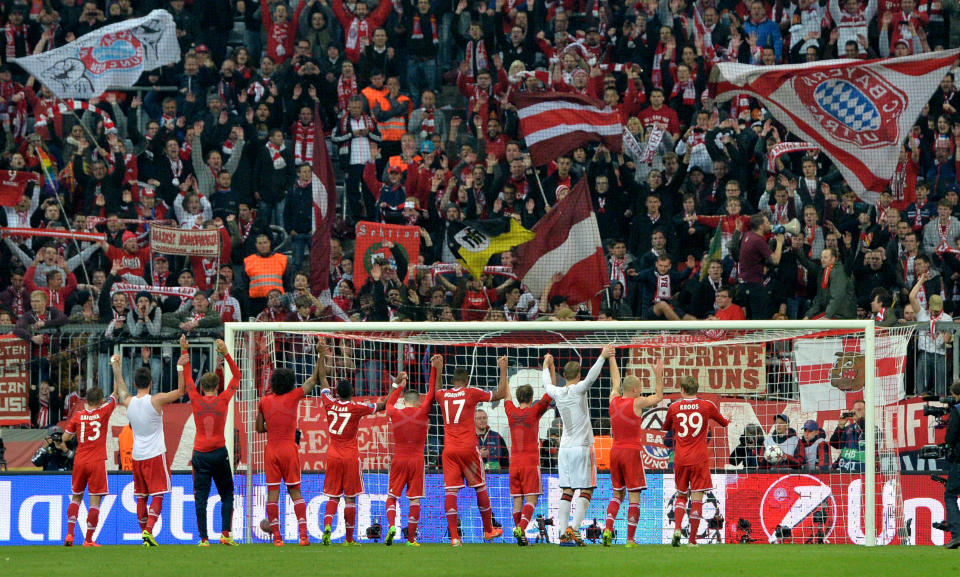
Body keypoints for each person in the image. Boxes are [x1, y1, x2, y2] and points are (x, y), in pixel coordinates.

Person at [113, 337, 188, 547]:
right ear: (151, 382)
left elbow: (121, 390)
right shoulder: (156, 400)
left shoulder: (128, 402)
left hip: (137, 455)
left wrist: (116, 368)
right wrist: (180, 368)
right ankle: (148, 531)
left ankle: (144, 534)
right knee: (158, 494)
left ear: (135, 383)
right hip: (155, 454)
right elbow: (181, 392)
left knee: (141, 497)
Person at [256, 341, 327, 546]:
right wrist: (320, 354)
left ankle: (277, 538)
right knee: (295, 492)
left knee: (273, 494)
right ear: (290, 383)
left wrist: (275, 427)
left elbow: (259, 429)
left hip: (271, 450)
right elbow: (313, 380)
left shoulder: (264, 401)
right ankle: (303, 536)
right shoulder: (294, 396)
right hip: (289, 448)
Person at [543, 345, 615, 546]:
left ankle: (562, 532)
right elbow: (592, 378)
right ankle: (573, 530)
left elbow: (546, 383)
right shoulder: (578, 389)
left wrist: (545, 366)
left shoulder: (557, 392)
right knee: (587, 489)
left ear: (564, 375)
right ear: (578, 374)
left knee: (567, 490)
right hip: (582, 447)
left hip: (564, 449)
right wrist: (602, 357)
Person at [435, 355, 509, 546]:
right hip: (468, 447)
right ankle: (488, 530)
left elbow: (435, 390)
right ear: (466, 381)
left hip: (449, 449)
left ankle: (454, 538)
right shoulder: (471, 392)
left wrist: (438, 368)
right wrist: (503, 368)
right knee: (480, 487)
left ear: (452, 382)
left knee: (451, 492)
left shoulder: (442, 395)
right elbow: (500, 393)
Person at [319, 367, 388, 547]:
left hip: (333, 455)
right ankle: (349, 539)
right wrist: (396, 386)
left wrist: (320, 356)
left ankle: (327, 527)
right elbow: (382, 406)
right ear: (352, 393)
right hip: (350, 457)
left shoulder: (329, 403)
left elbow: (323, 381)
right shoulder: (356, 407)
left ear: (337, 393)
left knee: (333, 497)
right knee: (350, 498)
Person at [603, 356, 664, 547]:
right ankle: (630, 539)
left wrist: (611, 358)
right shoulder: (637, 403)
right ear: (635, 390)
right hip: (631, 452)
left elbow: (615, 381)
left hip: (615, 452)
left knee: (616, 495)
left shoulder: (613, 401)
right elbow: (659, 397)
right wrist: (659, 375)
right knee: (634, 497)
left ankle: (607, 529)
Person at [184, 337, 241, 546]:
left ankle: (204, 539)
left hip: (200, 454)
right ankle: (225, 534)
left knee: (201, 497)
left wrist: (185, 351)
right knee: (227, 493)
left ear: (202, 386)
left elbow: (188, 378)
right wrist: (226, 353)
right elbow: (238, 375)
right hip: (219, 452)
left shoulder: (195, 399)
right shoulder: (224, 399)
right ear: (217, 385)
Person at [663, 375, 729, 547]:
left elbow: (666, 427)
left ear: (682, 390)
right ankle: (692, 540)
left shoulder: (674, 407)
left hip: (681, 458)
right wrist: (728, 419)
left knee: (681, 495)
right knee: (697, 497)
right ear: (697, 389)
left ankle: (677, 529)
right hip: (699, 459)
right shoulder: (707, 406)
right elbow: (723, 423)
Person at [383, 356, 439, 546]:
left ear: (404, 400)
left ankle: (391, 526)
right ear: (417, 400)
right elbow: (431, 393)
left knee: (392, 497)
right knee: (414, 501)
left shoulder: (395, 411)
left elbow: (388, 404)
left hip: (399, 459)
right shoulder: (423, 411)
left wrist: (399, 384)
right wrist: (433, 368)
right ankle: (411, 539)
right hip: (416, 461)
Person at [62, 380, 119, 547]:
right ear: (101, 400)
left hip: (80, 460)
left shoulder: (78, 416)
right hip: (97, 461)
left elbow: (65, 437)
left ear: (86, 400)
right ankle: (88, 539)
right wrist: (116, 367)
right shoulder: (104, 411)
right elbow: (115, 394)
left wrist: (72, 437)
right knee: (94, 502)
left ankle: (70, 535)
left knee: (76, 497)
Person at [504, 382, 553, 546]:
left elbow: (506, 396)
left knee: (517, 500)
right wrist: (550, 367)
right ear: (532, 398)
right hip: (530, 463)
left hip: (514, 463)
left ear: (518, 398)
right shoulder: (534, 411)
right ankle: (521, 529)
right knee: (531, 501)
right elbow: (550, 393)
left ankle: (520, 534)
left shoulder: (510, 411)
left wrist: (503, 370)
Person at [942, 379, 960, 549]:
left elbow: (951, 436)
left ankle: (957, 535)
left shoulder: (957, 410)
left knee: (951, 495)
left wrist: (949, 447)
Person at [829, 399, 866, 471]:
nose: (856, 412)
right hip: (844, 470)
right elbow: (834, 444)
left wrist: (859, 420)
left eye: (860, 409)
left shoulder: (873, 429)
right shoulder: (848, 428)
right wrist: (840, 426)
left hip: (862, 473)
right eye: (855, 410)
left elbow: (867, 437)